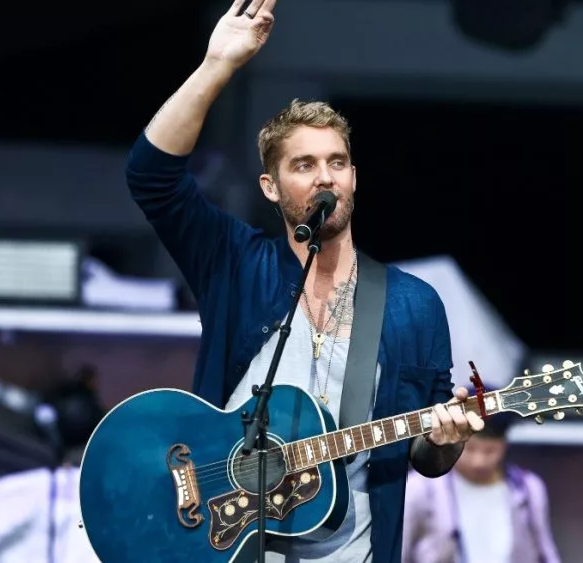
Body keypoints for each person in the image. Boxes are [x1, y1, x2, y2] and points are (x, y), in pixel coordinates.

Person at [124, 1, 485, 561]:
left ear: (355, 177)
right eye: (304, 165)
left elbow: (425, 457)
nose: (325, 177)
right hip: (228, 544)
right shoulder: (236, 264)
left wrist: (447, 441)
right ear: (270, 187)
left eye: (337, 162)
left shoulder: (413, 305)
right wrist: (217, 63)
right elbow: (151, 175)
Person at [402, 409, 561, 563]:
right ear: (455, 443)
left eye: (490, 451)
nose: (479, 461)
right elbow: (401, 551)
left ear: (504, 446)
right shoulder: (421, 487)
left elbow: (545, 552)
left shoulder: (527, 488)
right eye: (469, 449)